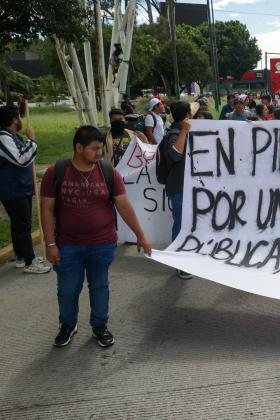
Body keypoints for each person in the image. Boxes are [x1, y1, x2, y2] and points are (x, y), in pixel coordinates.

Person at [40, 125, 152, 347]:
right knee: (67, 289)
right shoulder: (56, 172)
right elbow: (46, 208)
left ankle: (100, 326)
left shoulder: (109, 172)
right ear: (78, 147)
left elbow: (123, 204)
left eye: (101, 148)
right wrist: (50, 244)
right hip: (67, 245)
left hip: (102, 243)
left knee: (99, 286)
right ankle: (68, 325)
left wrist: (141, 235)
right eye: (94, 149)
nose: (99, 153)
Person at [0, 105, 51, 274]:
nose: (20, 120)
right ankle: (30, 261)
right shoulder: (3, 138)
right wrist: (32, 140)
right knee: (23, 225)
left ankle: (21, 256)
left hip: (21, 187)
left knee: (19, 224)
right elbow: (21, 159)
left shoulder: (13, 136)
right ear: (14, 120)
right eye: (18, 117)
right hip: (13, 189)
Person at [160, 101, 193, 279]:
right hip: (179, 188)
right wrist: (184, 132)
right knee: (181, 225)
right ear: (187, 114)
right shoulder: (174, 134)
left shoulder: (186, 130)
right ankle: (179, 263)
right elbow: (175, 155)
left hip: (191, 187)